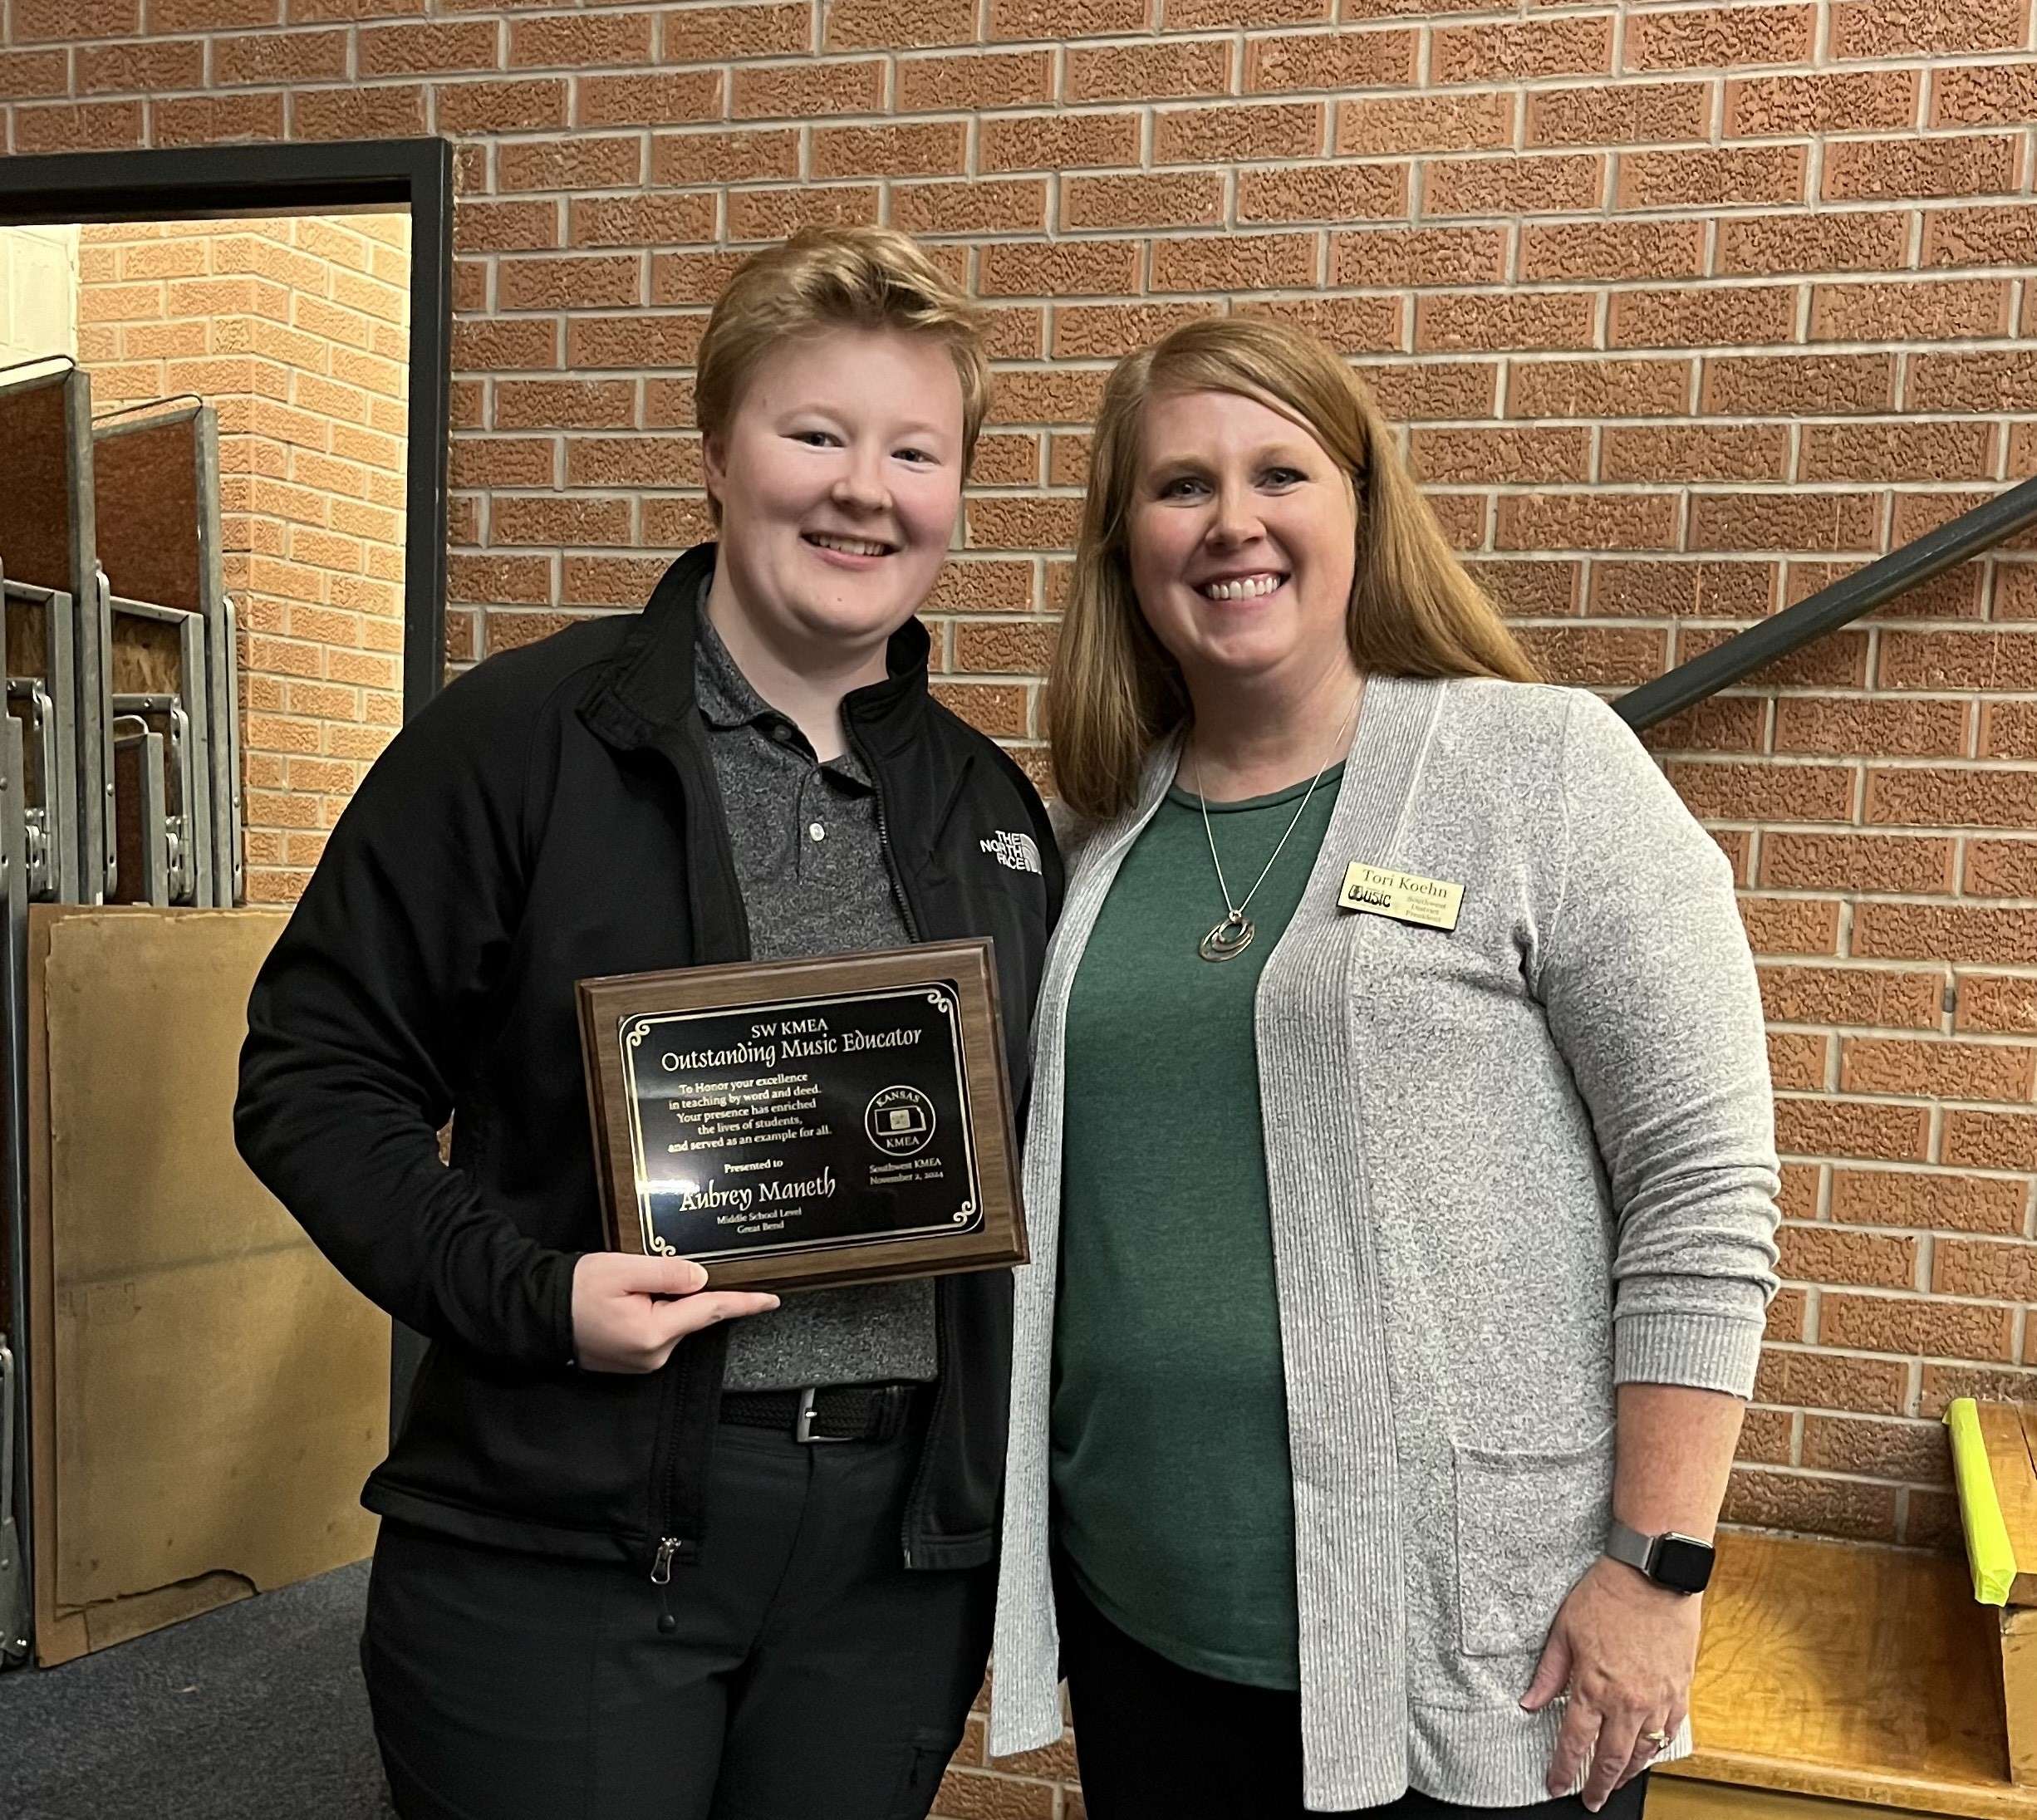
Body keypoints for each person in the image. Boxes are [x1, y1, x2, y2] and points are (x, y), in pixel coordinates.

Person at [235, 225, 1062, 1820]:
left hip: (886, 1572)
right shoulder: (521, 738)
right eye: (813, 434)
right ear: (716, 453)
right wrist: (538, 1297)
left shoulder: (989, 809)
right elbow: (313, 1077)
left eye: (915, 452)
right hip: (568, 1548)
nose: (864, 490)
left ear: (958, 492)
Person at [987, 316, 1780, 1819]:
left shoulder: (1541, 769)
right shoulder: (1089, 835)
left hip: (1483, 1653)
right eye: (1180, 486)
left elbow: (1703, 1184)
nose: (1232, 521)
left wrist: (1658, 1565)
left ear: (1361, 507)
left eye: (1279, 473)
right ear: (1123, 546)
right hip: (1146, 1624)